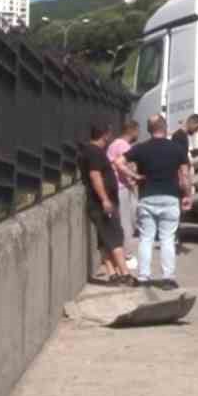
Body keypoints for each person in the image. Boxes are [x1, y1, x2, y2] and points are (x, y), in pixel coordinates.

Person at [127, 114, 192, 289]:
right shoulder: (177, 149)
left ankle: (143, 278)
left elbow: (118, 161)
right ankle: (168, 279)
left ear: (149, 129)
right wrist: (187, 195)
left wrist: (134, 176)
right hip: (170, 198)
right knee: (167, 239)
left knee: (146, 238)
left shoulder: (140, 148)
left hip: (147, 197)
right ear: (164, 128)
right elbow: (184, 176)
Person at [76, 121, 132, 285]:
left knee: (105, 239)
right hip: (102, 203)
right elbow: (95, 176)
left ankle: (113, 274)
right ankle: (125, 274)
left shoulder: (90, 151)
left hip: (98, 202)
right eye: (109, 133)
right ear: (105, 134)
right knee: (115, 237)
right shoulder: (94, 152)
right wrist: (105, 200)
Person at [107, 119, 142, 271]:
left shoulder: (116, 144)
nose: (138, 134)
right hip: (121, 187)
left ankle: (125, 253)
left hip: (123, 187)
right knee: (126, 221)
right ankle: (126, 255)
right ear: (132, 130)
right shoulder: (122, 145)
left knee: (131, 218)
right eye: (137, 130)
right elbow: (121, 165)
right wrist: (134, 176)